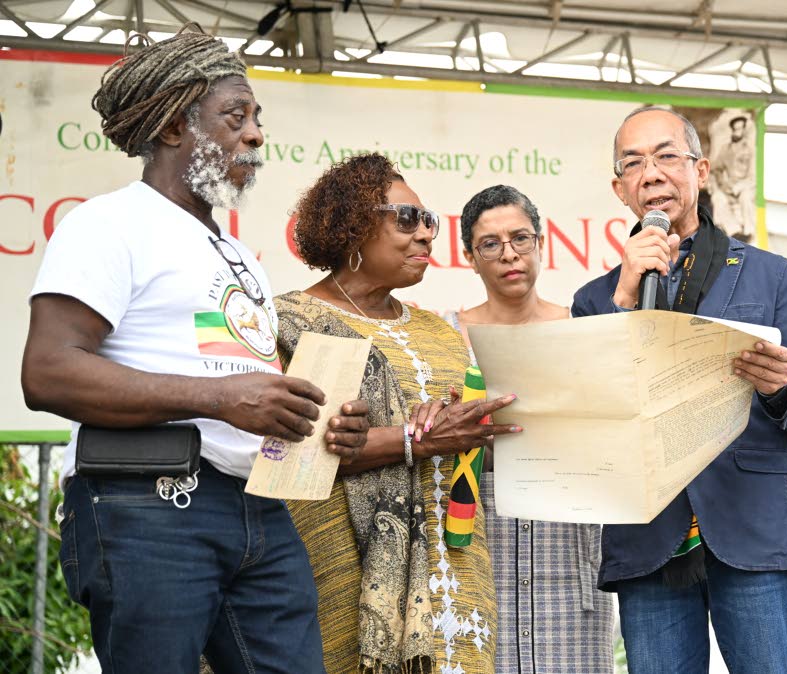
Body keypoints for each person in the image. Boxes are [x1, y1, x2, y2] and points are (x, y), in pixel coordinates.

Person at [20, 28, 370, 673]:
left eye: (258, 119)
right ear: (174, 126)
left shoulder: (238, 255)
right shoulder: (107, 224)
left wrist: (317, 425)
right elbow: (47, 372)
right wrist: (220, 398)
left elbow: (241, 391)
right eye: (236, 117)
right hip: (149, 506)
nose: (255, 135)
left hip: (259, 508)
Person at [572, 106, 787, 674]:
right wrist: (624, 299)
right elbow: (589, 417)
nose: (651, 173)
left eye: (667, 156)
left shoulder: (771, 274)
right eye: (633, 163)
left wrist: (781, 388)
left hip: (751, 528)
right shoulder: (595, 299)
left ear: (702, 170)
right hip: (648, 539)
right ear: (620, 189)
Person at [278, 152, 522, 674]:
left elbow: (468, 441)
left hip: (459, 574)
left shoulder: (441, 332)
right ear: (353, 227)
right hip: (346, 572)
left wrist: (479, 427)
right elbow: (293, 456)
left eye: (428, 220)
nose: (426, 234)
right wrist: (418, 440)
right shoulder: (291, 322)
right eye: (407, 219)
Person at [447, 184, 615, 673]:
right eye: (490, 244)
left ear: (541, 243)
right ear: (469, 258)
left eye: (520, 238)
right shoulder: (447, 336)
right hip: (480, 542)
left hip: (567, 543)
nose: (509, 254)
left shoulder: (580, 328)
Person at [708, 115, 756, 241]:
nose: (736, 132)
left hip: (746, 185)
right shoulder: (726, 148)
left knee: (745, 197)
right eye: (735, 129)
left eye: (739, 129)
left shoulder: (751, 150)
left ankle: (749, 231)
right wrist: (722, 183)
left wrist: (739, 187)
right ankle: (734, 231)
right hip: (729, 186)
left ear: (744, 130)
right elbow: (715, 169)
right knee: (717, 197)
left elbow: (753, 176)